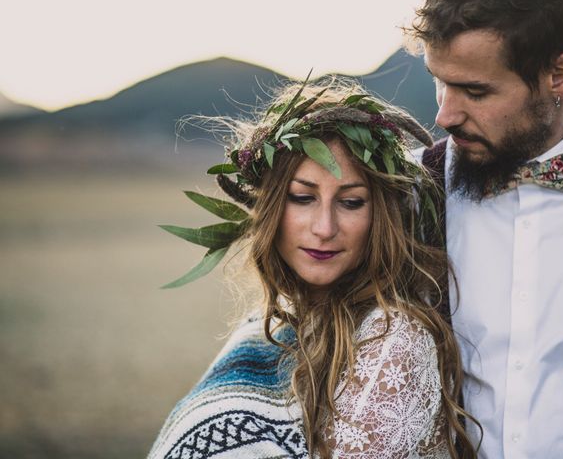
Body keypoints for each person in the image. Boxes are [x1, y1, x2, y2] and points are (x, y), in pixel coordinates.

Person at [148, 79, 478, 458]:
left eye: (352, 202)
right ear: (271, 207)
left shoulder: (393, 343)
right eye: (303, 198)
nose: (324, 228)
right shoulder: (270, 324)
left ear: (380, 216)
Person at [407, 0, 563, 458]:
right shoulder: (405, 191)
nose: (444, 114)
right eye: (440, 81)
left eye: (474, 90)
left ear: (561, 74)